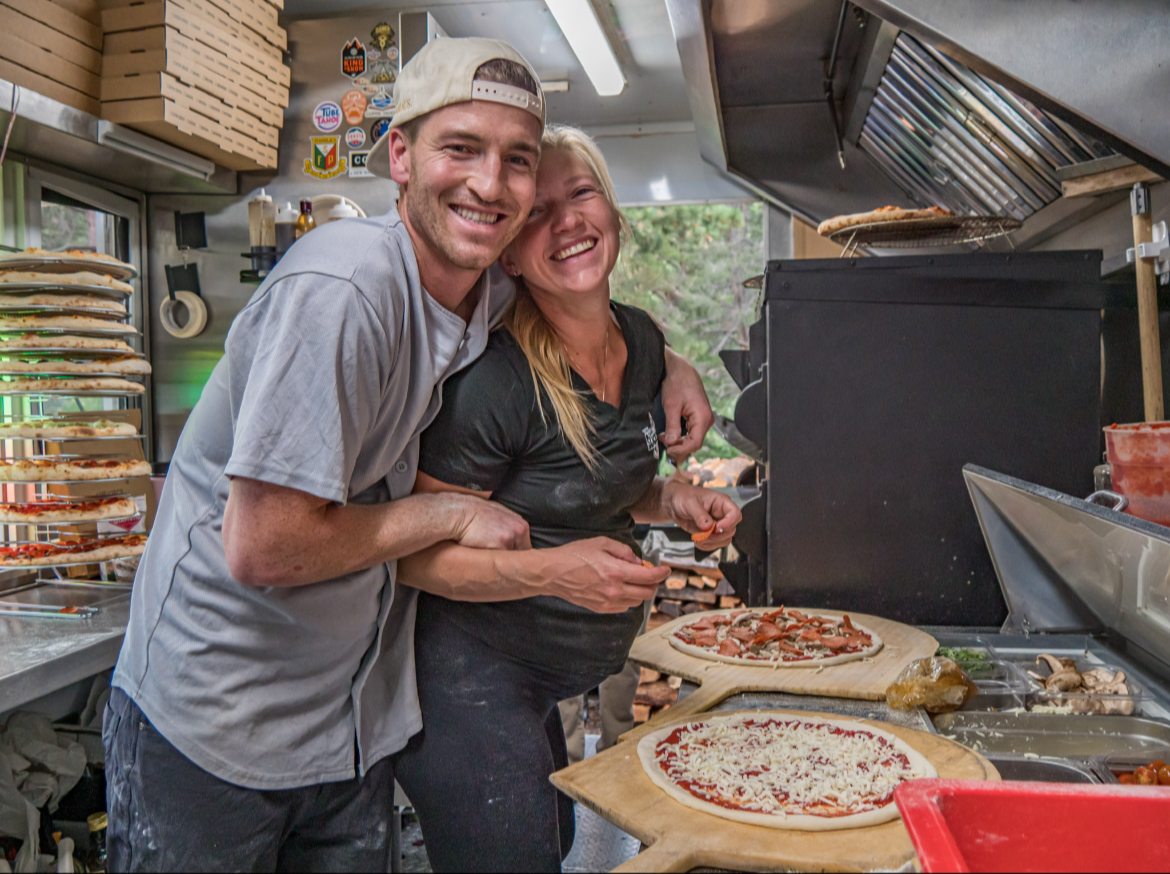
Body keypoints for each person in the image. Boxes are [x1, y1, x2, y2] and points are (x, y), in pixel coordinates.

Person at [103, 40, 713, 873]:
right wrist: (447, 511)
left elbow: (584, 304)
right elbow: (264, 546)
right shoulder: (343, 294)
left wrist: (672, 365)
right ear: (399, 154)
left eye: (516, 161)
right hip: (216, 722)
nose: (491, 185)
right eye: (461, 148)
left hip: (348, 723)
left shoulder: (481, 286)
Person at [392, 125, 743, 872]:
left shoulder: (644, 346)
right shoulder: (499, 382)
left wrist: (672, 499)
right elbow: (414, 558)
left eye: (580, 194)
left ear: (613, 212)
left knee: (553, 845)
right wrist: (553, 572)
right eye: (537, 213)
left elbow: (590, 493)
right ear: (511, 253)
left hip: (546, 681)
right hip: (468, 681)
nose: (567, 222)